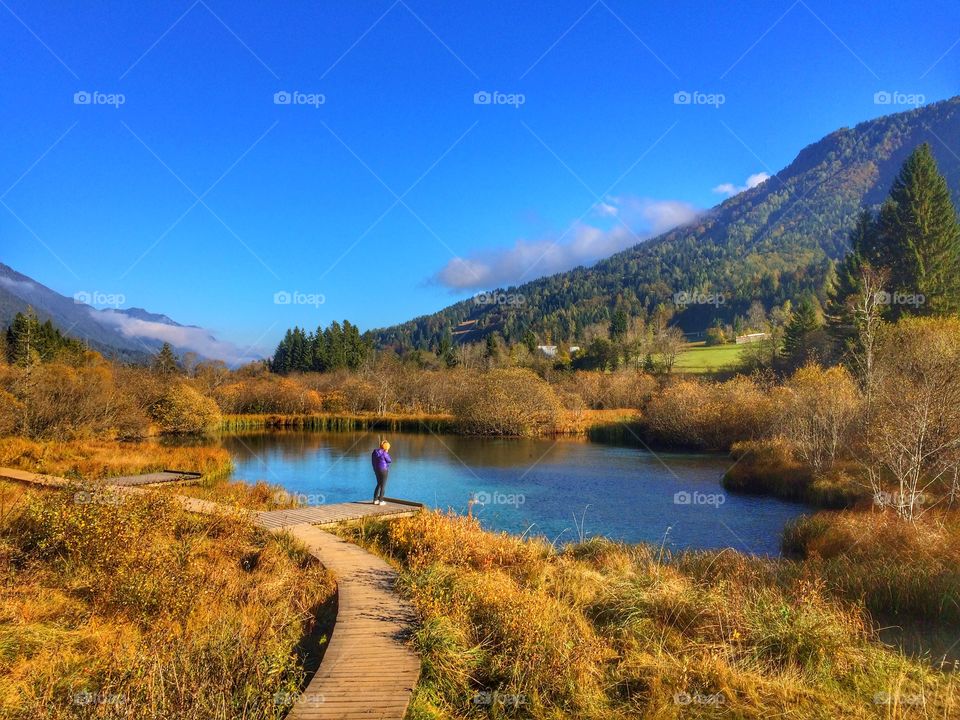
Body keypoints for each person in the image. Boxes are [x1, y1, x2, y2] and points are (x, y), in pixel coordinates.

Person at [371, 440, 392, 505]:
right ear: (386, 448)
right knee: (383, 485)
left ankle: (375, 500)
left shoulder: (374, 452)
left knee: (378, 484)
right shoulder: (384, 453)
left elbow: (374, 460)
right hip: (383, 470)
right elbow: (389, 460)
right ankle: (381, 501)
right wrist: (386, 452)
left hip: (376, 469)